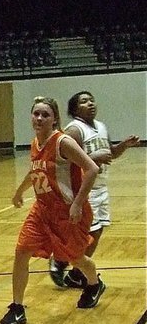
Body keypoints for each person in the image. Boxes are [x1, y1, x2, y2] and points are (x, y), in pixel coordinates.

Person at [0, 96, 105, 324]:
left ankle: (94, 283)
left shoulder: (62, 142)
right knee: (21, 251)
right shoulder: (35, 143)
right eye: (36, 113)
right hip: (42, 210)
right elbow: (35, 172)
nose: (39, 118)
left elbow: (91, 169)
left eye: (45, 114)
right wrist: (19, 192)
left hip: (67, 211)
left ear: (55, 118)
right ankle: (17, 307)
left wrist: (78, 203)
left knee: (76, 259)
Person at [48, 90, 140, 289]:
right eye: (84, 101)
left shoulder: (101, 127)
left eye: (91, 100)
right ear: (74, 109)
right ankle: (61, 259)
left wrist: (124, 145)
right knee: (85, 234)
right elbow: (69, 162)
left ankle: (75, 272)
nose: (90, 103)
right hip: (84, 189)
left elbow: (110, 153)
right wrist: (95, 159)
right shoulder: (74, 130)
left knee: (97, 232)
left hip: (101, 188)